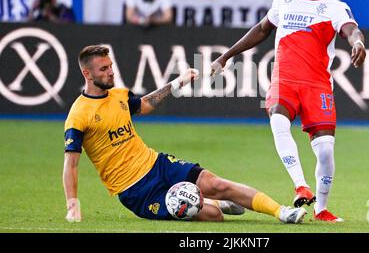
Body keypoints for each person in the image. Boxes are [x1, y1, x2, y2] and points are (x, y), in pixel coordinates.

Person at [63, 45, 307, 223]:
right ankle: (215, 204)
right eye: (104, 69)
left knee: (216, 182)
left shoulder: (119, 95)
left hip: (157, 164)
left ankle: (281, 211)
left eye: (111, 67)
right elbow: (71, 165)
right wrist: (72, 204)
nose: (111, 72)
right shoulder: (79, 115)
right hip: (136, 191)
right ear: (87, 74)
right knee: (213, 216)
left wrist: (177, 83)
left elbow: (145, 105)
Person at [210, 0, 366, 222]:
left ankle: (321, 209)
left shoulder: (335, 7)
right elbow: (261, 29)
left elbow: (351, 30)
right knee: (278, 121)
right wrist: (227, 55)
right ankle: (300, 185)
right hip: (284, 80)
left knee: (326, 150)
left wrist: (358, 43)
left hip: (317, 86)